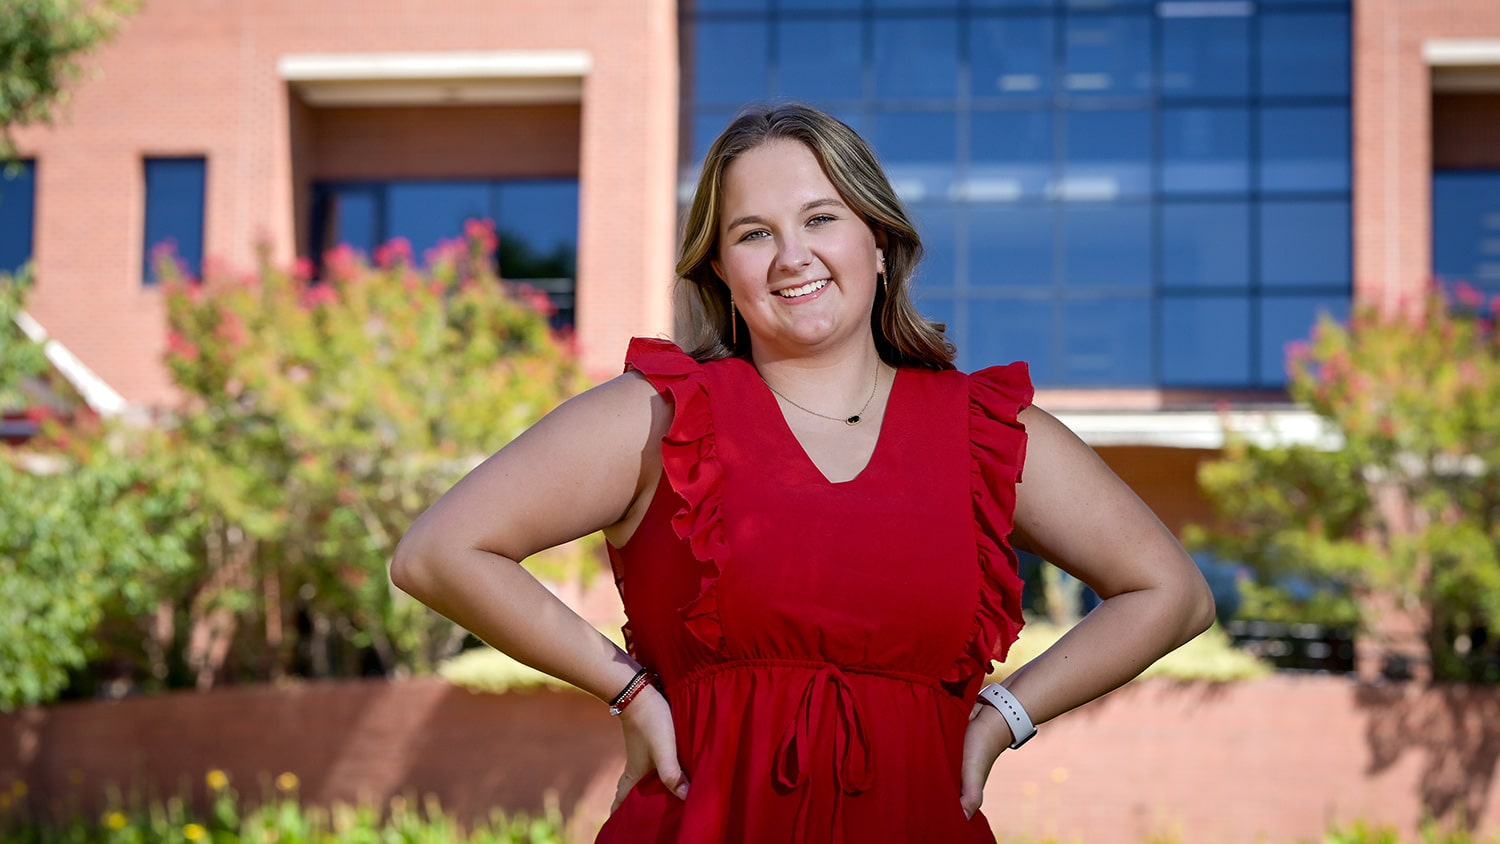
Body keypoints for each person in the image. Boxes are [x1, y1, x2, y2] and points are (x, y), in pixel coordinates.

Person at [390, 102, 1216, 842]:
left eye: (821, 218)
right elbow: (438, 552)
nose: (793, 257)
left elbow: (1170, 593)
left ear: (880, 241)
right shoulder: (659, 415)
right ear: (719, 268)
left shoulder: (986, 433)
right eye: (753, 233)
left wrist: (1003, 717)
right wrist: (630, 692)